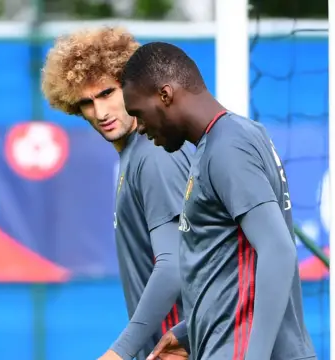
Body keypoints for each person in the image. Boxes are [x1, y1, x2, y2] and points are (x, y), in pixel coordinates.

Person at [120, 41, 317, 360]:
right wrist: (186, 332)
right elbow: (229, 267)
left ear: (165, 95)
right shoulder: (228, 139)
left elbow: (277, 250)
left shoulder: (228, 148)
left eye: (139, 115)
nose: (140, 128)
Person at [41, 28, 193, 360]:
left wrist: (118, 353)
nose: (100, 112)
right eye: (86, 102)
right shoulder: (135, 154)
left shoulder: (156, 153)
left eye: (108, 93)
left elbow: (173, 266)